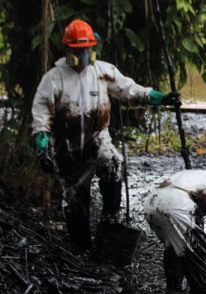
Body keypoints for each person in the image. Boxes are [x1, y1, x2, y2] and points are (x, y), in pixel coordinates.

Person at [31, 19, 180, 250]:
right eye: (78, 51)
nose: (83, 55)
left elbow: (130, 90)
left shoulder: (103, 71)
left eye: (87, 50)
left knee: (113, 164)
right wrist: (42, 145)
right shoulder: (53, 79)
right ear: (68, 50)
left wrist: (160, 98)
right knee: (75, 200)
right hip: (66, 149)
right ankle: (82, 248)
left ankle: (110, 222)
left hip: (98, 138)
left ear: (92, 48)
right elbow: (41, 114)